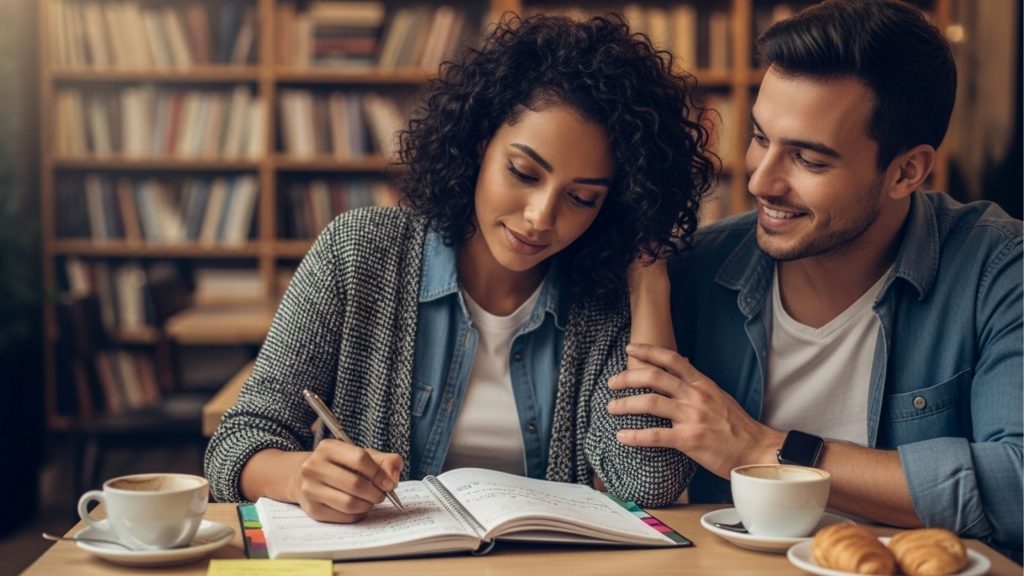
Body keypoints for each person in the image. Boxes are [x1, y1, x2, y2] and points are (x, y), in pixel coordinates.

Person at [205, 14, 715, 522]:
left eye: (581, 198)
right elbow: (237, 443)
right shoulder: (359, 253)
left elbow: (648, 482)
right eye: (522, 172)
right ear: (478, 144)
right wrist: (301, 476)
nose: (540, 217)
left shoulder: (605, 296)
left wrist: (649, 276)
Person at [606, 0, 1023, 553]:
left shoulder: (997, 269)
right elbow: (636, 483)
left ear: (906, 171)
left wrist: (767, 449)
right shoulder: (690, 271)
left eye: (809, 160)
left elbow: (1017, 483)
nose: (761, 181)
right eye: (760, 138)